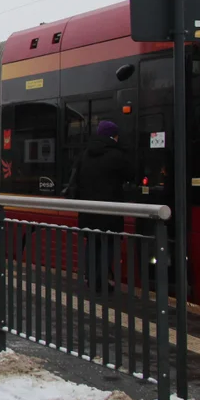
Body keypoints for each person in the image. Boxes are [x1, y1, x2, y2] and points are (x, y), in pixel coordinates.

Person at [68, 120, 133, 291]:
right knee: (107, 245)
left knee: (92, 243)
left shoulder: (85, 154)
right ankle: (100, 282)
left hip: (89, 211)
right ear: (114, 136)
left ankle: (91, 279)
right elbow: (130, 175)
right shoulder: (117, 156)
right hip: (109, 212)